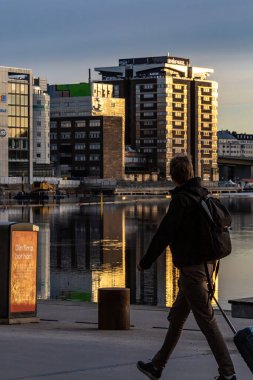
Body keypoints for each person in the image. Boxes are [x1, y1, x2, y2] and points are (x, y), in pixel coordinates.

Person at [137, 155, 236, 380]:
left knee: (207, 322)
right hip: (207, 266)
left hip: (193, 271)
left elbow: (164, 234)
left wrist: (145, 262)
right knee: (177, 318)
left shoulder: (182, 200)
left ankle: (228, 374)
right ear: (190, 172)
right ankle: (157, 366)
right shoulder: (203, 195)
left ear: (173, 175)